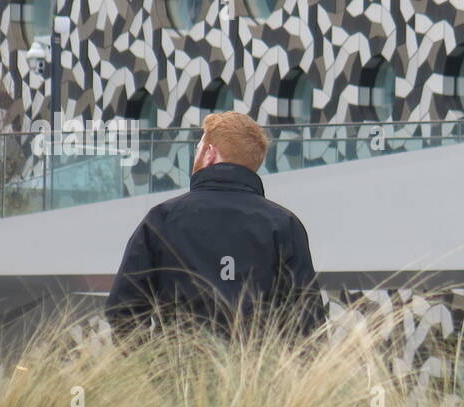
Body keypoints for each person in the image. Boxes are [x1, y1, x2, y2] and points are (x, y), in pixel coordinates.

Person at [106, 111, 325, 338]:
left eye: (198, 147)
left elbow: (124, 308)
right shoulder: (283, 224)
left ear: (210, 154)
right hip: (257, 370)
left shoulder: (163, 218)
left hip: (179, 368)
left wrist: (151, 368)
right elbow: (308, 320)